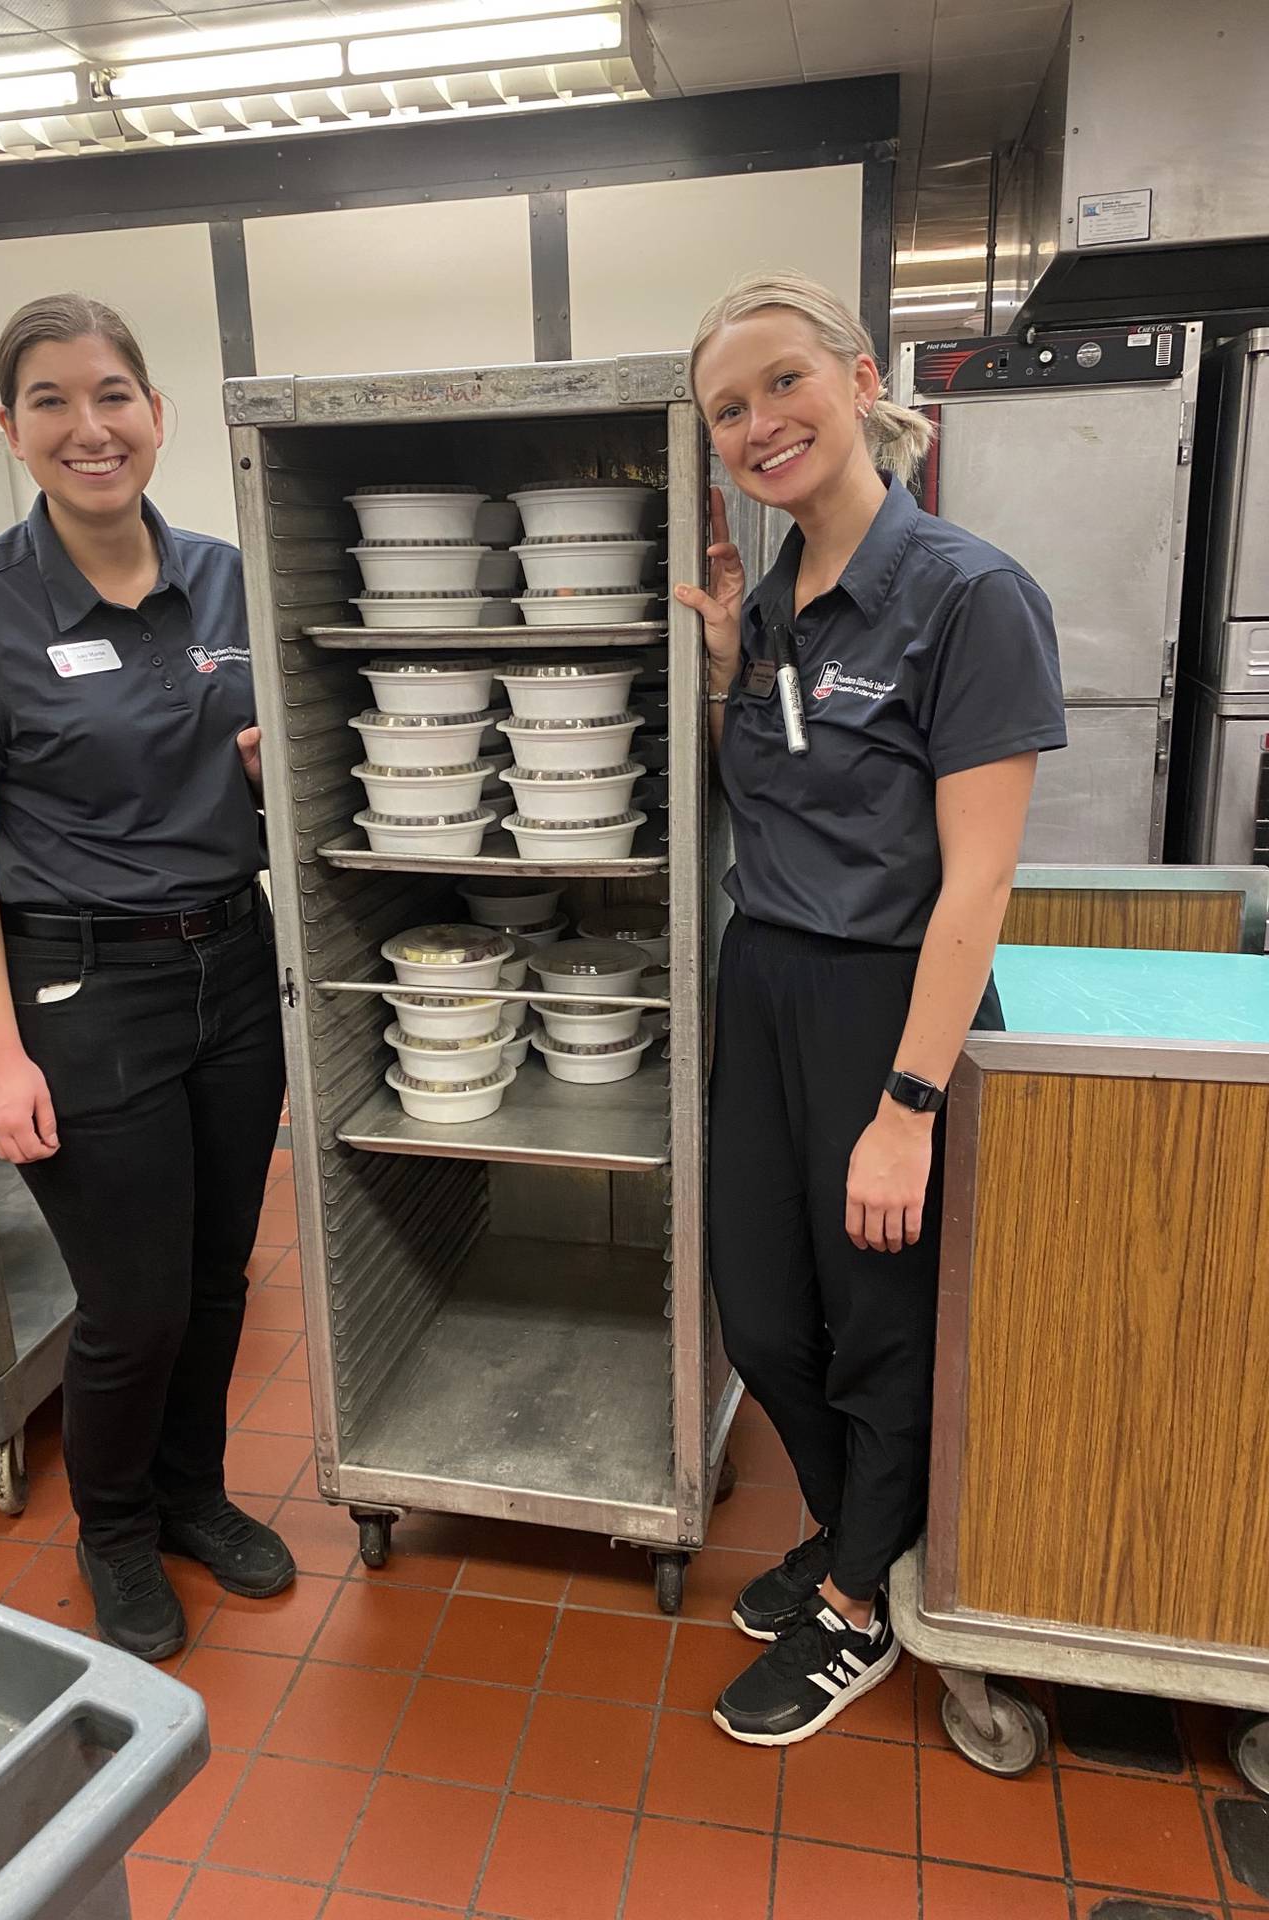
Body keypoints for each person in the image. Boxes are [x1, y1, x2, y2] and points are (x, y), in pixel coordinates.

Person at [675, 271, 1066, 1746]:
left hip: (886, 1004)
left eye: (784, 383)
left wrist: (909, 1105)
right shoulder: (770, 605)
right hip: (761, 978)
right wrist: (720, 679)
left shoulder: (967, 595)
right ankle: (858, 1537)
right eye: (730, 409)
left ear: (855, 377)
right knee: (764, 1311)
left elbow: (978, 882)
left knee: (880, 1325)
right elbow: (760, 805)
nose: (760, 423)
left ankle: (856, 1605)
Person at [0, 293, 294, 1661]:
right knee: (133, 1303)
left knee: (219, 1274)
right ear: (11, 428)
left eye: (112, 393)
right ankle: (112, 1528)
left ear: (157, 414)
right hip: (78, 992)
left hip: (232, 968)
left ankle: (192, 1496)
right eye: (50, 400)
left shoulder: (235, 579)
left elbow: (287, 770)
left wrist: (269, 779)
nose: (88, 426)